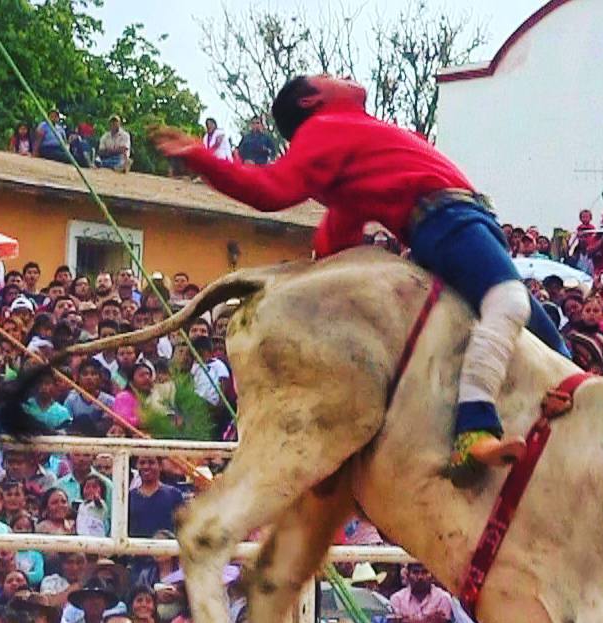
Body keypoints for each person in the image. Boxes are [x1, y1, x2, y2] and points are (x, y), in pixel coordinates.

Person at [153, 74, 568, 472]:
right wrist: (201, 157)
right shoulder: (325, 127)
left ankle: (563, 404)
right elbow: (270, 189)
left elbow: (337, 235)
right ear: (311, 100)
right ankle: (473, 428)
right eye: (328, 75)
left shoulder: (349, 142)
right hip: (448, 219)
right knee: (510, 303)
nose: (343, 75)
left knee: (550, 344)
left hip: (459, 222)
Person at [388, 563, 452, 623]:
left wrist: (404, 621)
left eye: (425, 572)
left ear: (432, 575)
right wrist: (428, 621)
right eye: (415, 572)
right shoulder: (397, 598)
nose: (420, 577)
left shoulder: (443, 598)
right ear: (407, 575)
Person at [128, 456, 184, 538]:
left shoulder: (174, 495)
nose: (146, 467)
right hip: (135, 548)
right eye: (142, 463)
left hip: (165, 548)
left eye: (151, 462)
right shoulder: (129, 497)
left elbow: (182, 527)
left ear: (160, 466)